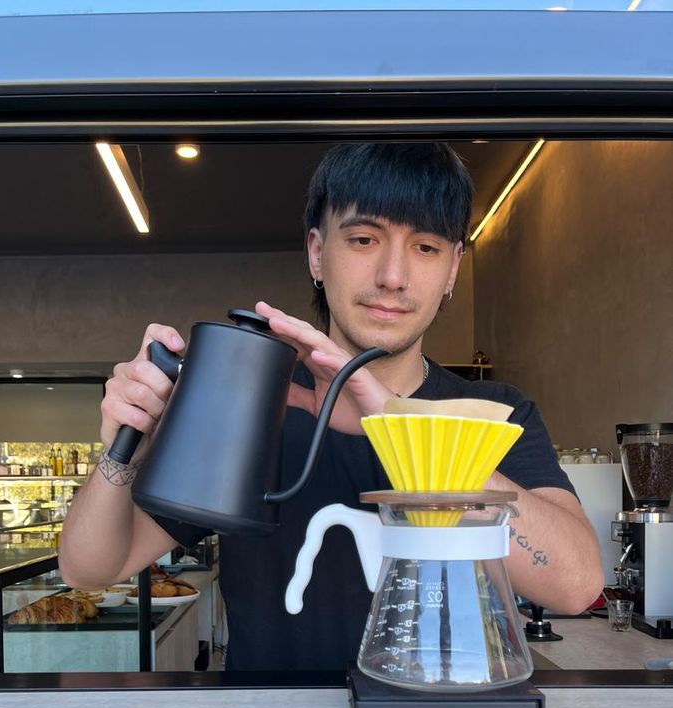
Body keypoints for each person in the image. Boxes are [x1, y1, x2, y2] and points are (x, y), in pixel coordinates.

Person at [60, 142, 603, 671]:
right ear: (318, 252)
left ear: (454, 268)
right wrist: (121, 449)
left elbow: (575, 586)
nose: (393, 276)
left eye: (426, 247)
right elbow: (89, 568)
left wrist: (397, 428)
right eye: (365, 239)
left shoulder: (496, 409)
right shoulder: (257, 405)